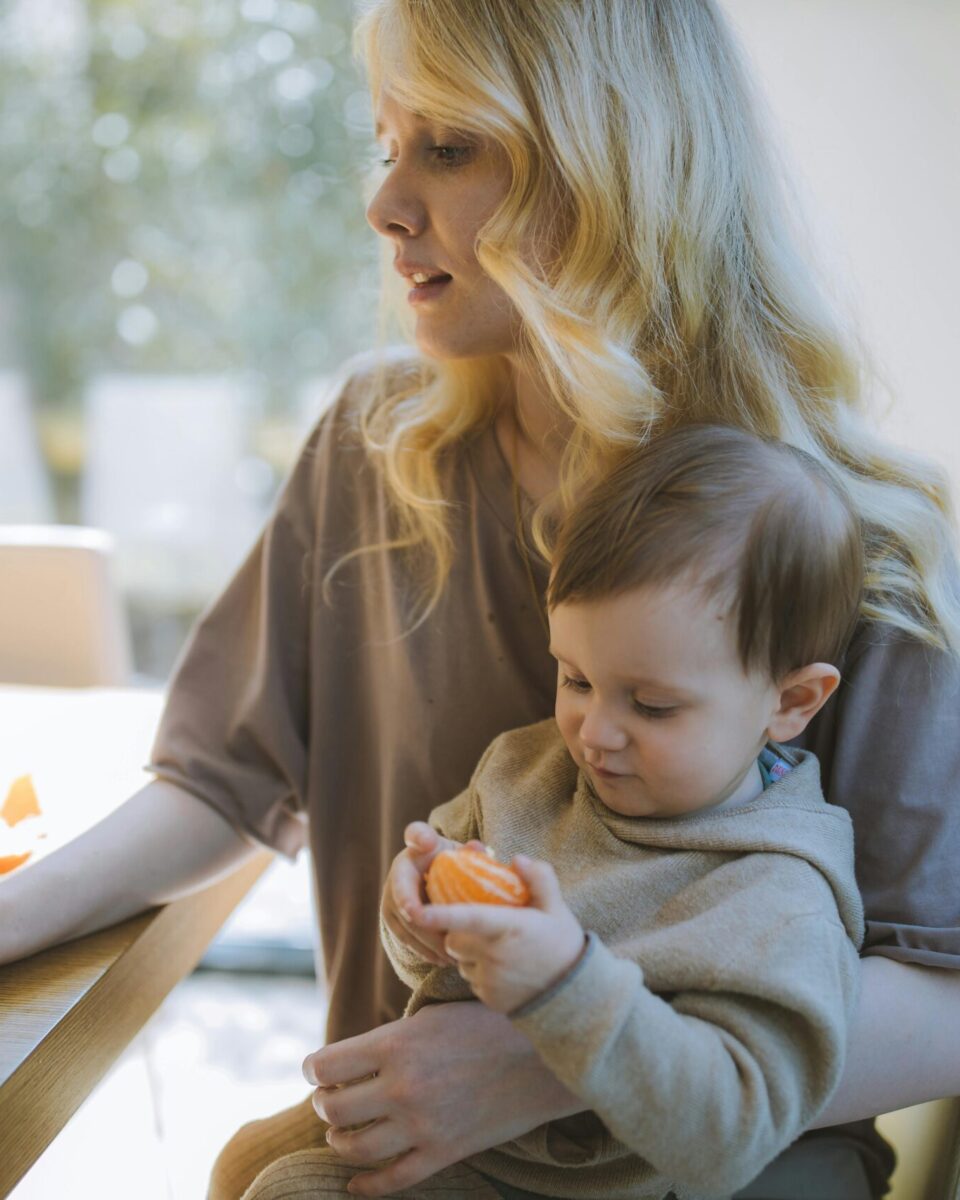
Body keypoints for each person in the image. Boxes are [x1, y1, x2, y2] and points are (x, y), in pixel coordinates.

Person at [0, 1, 958, 1198]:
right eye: (387, 143)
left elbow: (943, 990)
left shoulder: (856, 533)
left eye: (449, 147)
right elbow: (220, 781)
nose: (385, 202)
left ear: (611, 164)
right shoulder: (372, 444)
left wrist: (549, 1059)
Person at [301, 423, 869, 1199]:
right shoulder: (524, 770)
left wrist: (565, 985)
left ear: (792, 701)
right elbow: (434, 970)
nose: (593, 733)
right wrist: (416, 915)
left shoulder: (778, 898)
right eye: (574, 679)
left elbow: (730, 1135)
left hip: (570, 1187)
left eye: (654, 705)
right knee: (256, 1173)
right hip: (446, 1141)